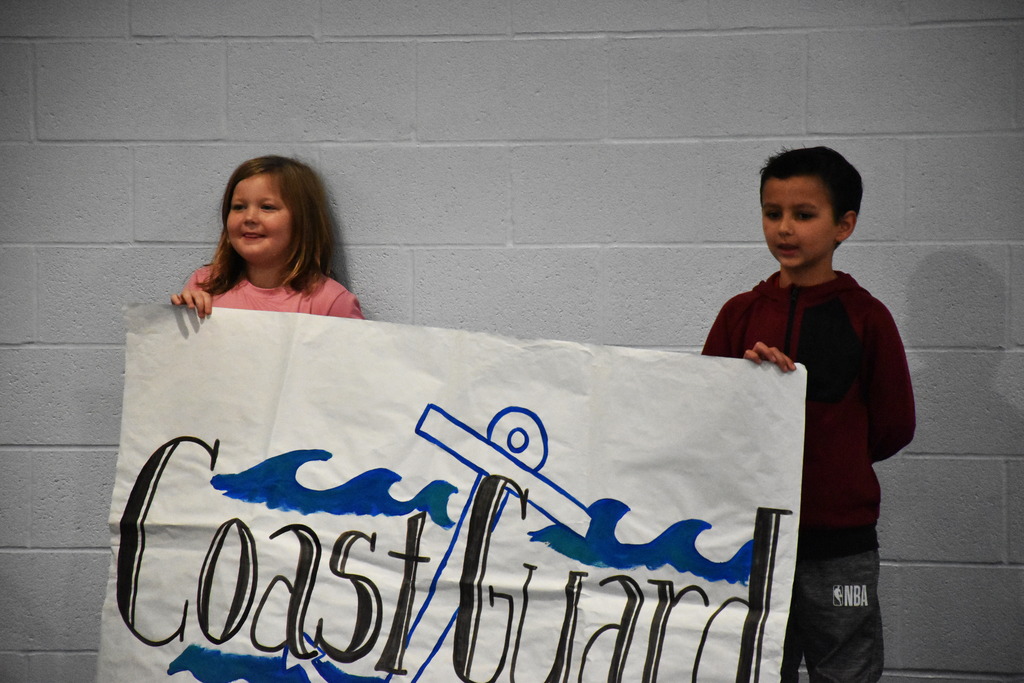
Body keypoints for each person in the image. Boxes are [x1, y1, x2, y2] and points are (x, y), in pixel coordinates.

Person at [702, 147, 915, 682]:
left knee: (845, 667)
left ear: (844, 225)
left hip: (840, 547)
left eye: (803, 214)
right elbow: (704, 415)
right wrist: (750, 389)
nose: (784, 229)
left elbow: (893, 427)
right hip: (749, 542)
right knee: (751, 668)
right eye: (772, 214)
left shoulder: (867, 318)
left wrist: (833, 458)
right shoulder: (739, 314)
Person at [172, 155, 363, 320]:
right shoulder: (205, 285)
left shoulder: (330, 301)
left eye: (267, 207)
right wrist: (181, 319)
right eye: (239, 207)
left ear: (302, 221)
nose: (249, 218)